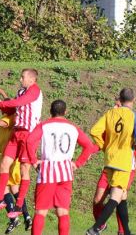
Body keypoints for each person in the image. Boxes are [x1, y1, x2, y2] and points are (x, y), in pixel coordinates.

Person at [26, 100, 97, 235]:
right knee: (63, 211)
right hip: (65, 172)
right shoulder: (72, 127)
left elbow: (29, 141)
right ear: (65, 112)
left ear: (50, 111)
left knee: (41, 211)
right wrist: (77, 163)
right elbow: (89, 146)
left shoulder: (44, 126)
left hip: (48, 170)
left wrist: (34, 161)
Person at [86, 88, 136, 235]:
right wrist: (134, 146)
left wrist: (104, 145)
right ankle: (95, 229)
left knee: (122, 198)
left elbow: (94, 131)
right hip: (123, 162)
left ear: (119, 98)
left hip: (109, 161)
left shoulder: (110, 113)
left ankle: (125, 232)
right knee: (116, 197)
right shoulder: (134, 116)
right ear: (134, 99)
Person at [0, 69, 43, 218]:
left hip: (29, 135)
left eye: (23, 77)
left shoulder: (35, 91)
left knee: (25, 169)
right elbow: (14, 107)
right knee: (4, 164)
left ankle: (18, 207)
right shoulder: (21, 91)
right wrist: (2, 102)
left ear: (32, 79)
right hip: (17, 132)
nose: (20, 79)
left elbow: (20, 102)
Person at [0, 89, 32, 234]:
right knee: (14, 189)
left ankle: (13, 219)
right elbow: (10, 103)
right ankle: (27, 216)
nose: (3, 107)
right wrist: (3, 94)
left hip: (9, 158)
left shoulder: (11, 117)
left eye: (4, 106)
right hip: (9, 157)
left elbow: (3, 123)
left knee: (4, 189)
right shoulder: (13, 113)